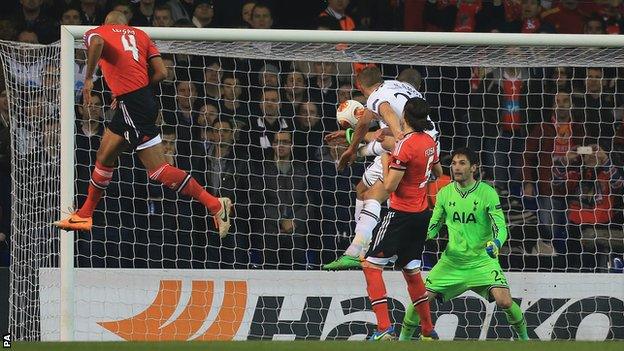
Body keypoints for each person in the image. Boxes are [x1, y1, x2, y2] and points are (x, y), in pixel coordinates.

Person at [53, 11, 231, 238]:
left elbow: (97, 43)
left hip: (132, 106)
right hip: (140, 101)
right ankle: (85, 214)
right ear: (126, 24)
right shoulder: (141, 35)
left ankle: (215, 204)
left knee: (158, 170)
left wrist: (89, 78)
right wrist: (134, 91)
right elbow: (162, 72)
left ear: (106, 22)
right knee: (104, 156)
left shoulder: (97, 32)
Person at [401, 147, 529, 341]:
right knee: (420, 298)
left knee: (504, 301)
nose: (456, 167)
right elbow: (434, 226)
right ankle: (402, 341)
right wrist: (418, 236)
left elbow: (501, 227)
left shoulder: (487, 193)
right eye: (453, 163)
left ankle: (525, 341)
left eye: (462, 163)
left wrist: (496, 243)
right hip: (452, 262)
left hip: (482, 261)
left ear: (474, 168)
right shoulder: (444, 193)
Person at [323, 66, 440, 270]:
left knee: (376, 195)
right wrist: (351, 140)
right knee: (362, 189)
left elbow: (381, 118)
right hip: (429, 146)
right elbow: (370, 129)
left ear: (359, 85)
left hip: (409, 146)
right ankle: (364, 246)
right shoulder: (403, 91)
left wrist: (354, 149)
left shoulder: (379, 96)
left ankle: (358, 250)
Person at [362, 97, 438, 341]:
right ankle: (428, 330)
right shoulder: (429, 141)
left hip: (400, 214)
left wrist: (386, 161)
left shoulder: (405, 146)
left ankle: (384, 327)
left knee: (371, 265)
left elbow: (391, 186)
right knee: (412, 270)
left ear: (404, 116)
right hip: (421, 214)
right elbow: (437, 172)